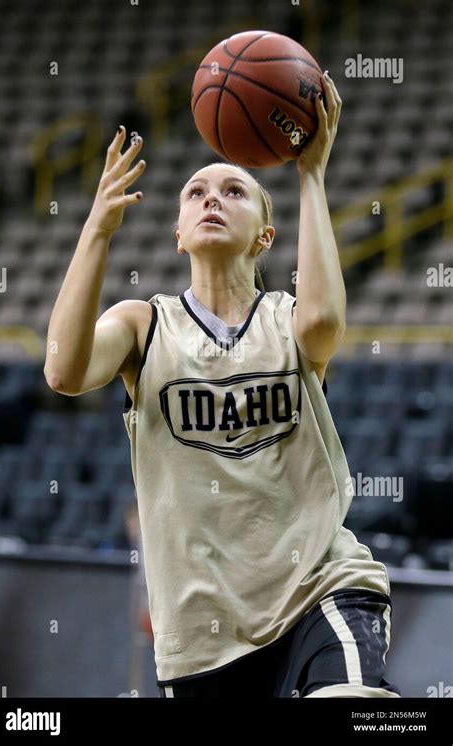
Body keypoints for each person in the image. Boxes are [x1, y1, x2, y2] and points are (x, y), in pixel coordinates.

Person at [44, 71, 401, 698]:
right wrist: (97, 228)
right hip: (203, 632)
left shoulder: (285, 318)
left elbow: (323, 322)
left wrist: (310, 174)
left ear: (265, 235)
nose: (211, 198)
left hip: (318, 585)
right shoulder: (144, 324)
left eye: (234, 190)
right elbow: (64, 371)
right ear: (178, 234)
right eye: (195, 193)